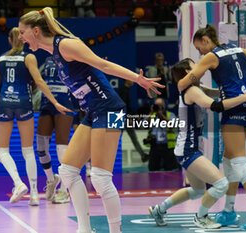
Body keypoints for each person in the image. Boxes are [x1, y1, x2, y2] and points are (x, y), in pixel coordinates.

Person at [18, 7, 163, 233]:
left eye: (22, 32)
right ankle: (84, 229)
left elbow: (103, 65)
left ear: (35, 31)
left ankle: (116, 231)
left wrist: (138, 80)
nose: (20, 38)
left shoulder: (65, 45)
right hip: (93, 112)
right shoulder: (53, 53)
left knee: (101, 178)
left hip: (110, 109)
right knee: (67, 172)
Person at [177, 24, 246, 230]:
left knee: (238, 161)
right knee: (229, 161)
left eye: (198, 47)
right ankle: (229, 211)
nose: (199, 52)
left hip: (233, 109)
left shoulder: (211, 56)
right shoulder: (238, 49)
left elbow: (182, 83)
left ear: (205, 40)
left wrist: (188, 76)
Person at [149, 58, 246, 229]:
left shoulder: (197, 89)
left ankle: (159, 209)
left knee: (198, 191)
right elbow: (216, 105)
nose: (201, 68)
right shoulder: (192, 91)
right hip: (188, 148)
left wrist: (243, 88)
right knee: (221, 184)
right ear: (188, 73)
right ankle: (200, 217)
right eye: (196, 66)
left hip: (190, 147)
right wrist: (245, 97)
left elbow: (218, 93)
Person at [0, 27, 71, 206]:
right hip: (26, 104)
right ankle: (35, 194)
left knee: (2, 150)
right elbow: (39, 82)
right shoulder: (29, 57)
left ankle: (20, 184)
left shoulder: (0, 59)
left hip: (5, 103)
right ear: (24, 39)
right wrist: (54, 101)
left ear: (10, 41)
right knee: (30, 151)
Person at [36, 56, 75, 204]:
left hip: (65, 103)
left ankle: (64, 191)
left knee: (62, 148)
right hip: (47, 104)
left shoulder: (71, 56)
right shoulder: (46, 59)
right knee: (40, 148)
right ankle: (51, 180)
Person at [144, 97, 180, 171]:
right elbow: (145, 123)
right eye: (156, 105)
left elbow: (172, 124)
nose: (158, 106)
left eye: (160, 104)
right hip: (155, 146)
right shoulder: (152, 116)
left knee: (169, 168)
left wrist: (161, 116)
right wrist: (151, 112)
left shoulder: (170, 115)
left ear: (164, 105)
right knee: (153, 168)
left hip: (167, 147)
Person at [118, 79, 149, 162]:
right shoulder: (124, 90)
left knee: (130, 138)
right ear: (126, 80)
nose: (133, 81)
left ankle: (143, 155)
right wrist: (130, 117)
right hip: (122, 117)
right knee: (118, 139)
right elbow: (123, 106)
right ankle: (143, 155)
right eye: (131, 79)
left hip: (121, 117)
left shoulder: (125, 90)